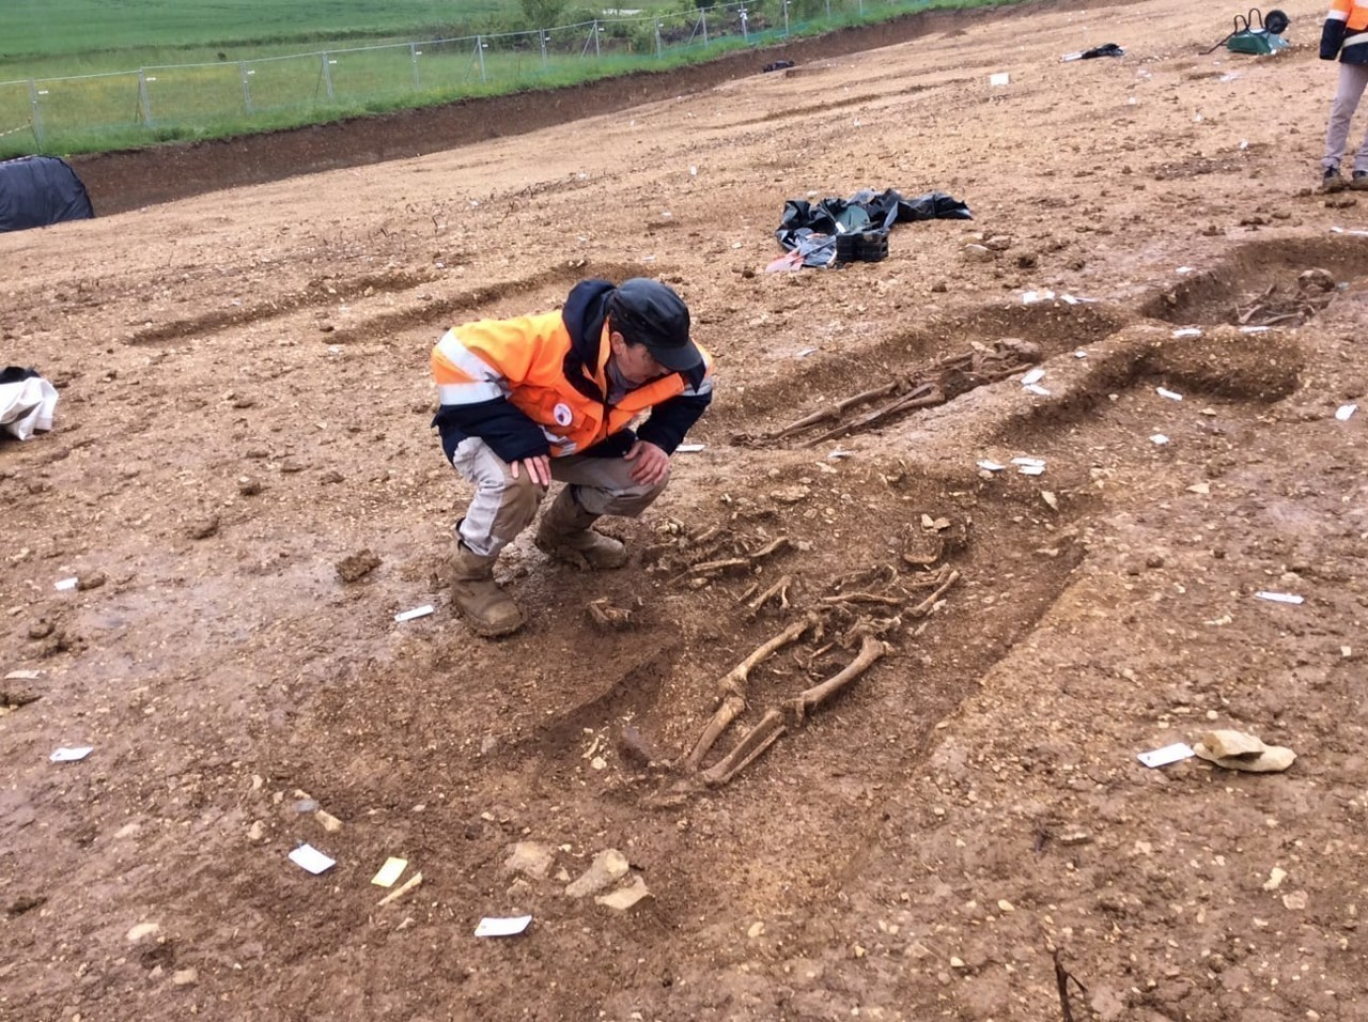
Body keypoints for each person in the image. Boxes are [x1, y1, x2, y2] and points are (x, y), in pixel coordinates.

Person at [430, 277, 714, 637]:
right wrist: (518, 438)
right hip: (494, 433)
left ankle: (561, 536)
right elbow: (454, 353)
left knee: (646, 474)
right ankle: (470, 575)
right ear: (618, 342)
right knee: (519, 481)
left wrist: (659, 439)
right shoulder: (549, 340)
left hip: (572, 438)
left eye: (672, 356)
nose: (665, 368)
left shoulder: (674, 358)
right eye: (654, 358)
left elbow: (700, 383)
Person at [1320, 0, 1368, 191]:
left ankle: (1363, 168)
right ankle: (1331, 166)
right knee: (1343, 106)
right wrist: (1328, 49)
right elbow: (1337, 16)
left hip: (1355, 50)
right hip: (1356, 52)